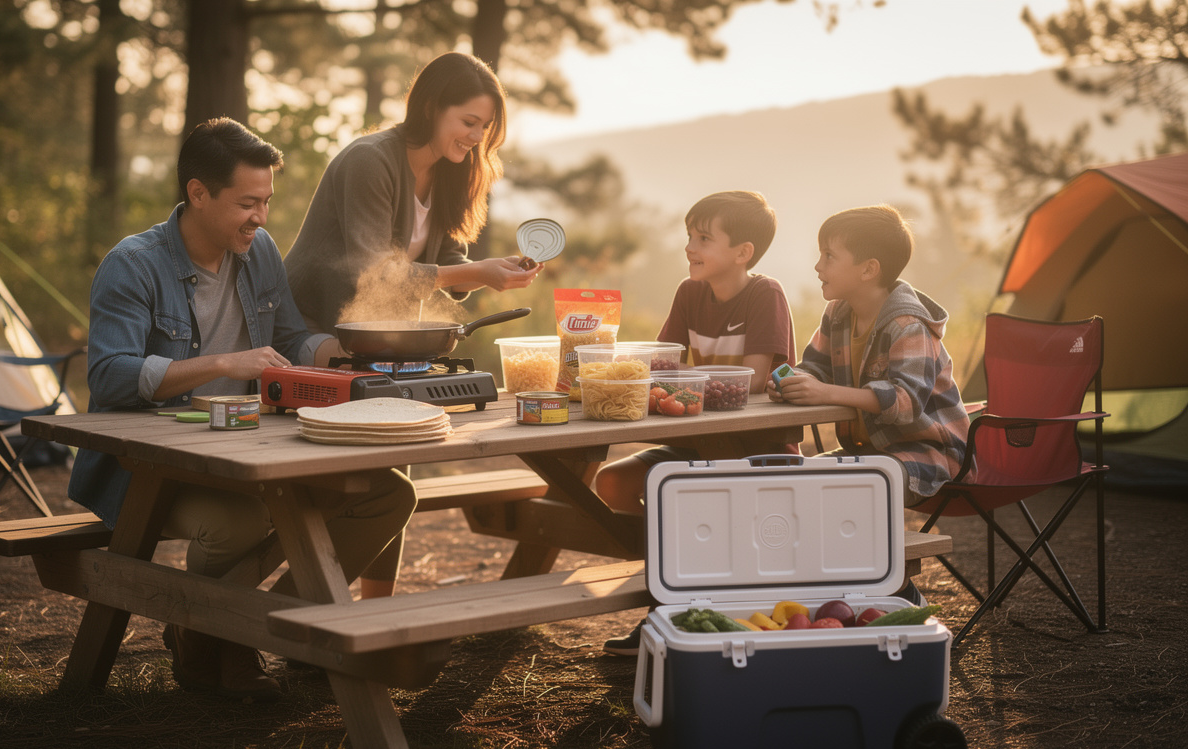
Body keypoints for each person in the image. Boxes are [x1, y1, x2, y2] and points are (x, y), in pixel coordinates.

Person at [67, 117, 416, 701]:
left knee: (387, 493)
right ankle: (229, 645)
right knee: (239, 520)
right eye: (247, 203)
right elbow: (108, 375)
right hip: (150, 466)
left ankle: (219, 633)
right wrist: (224, 364)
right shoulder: (133, 265)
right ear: (198, 193)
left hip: (246, 447)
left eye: (267, 202)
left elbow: (289, 339)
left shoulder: (258, 253)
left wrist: (347, 354)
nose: (261, 217)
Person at [285, 51, 540, 599]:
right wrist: (475, 271)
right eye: (468, 122)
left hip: (382, 332)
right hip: (311, 325)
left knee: (397, 459)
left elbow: (448, 258)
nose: (476, 137)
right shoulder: (369, 161)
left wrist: (494, 271)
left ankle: (378, 607)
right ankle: (305, 602)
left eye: (486, 127)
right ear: (430, 107)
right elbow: (375, 273)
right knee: (364, 460)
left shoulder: (452, 172)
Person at [594, 190, 797, 656]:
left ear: (742, 253)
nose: (690, 246)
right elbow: (662, 367)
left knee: (682, 506)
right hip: (697, 444)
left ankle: (670, 611)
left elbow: (757, 379)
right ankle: (679, 578)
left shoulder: (764, 294)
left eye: (704, 238)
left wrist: (678, 383)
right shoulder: (689, 293)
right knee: (614, 483)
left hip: (757, 451)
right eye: (689, 235)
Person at [769, 204, 971, 604]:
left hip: (930, 453)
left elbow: (905, 402)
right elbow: (816, 367)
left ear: (868, 269)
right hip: (873, 451)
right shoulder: (838, 313)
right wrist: (795, 382)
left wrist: (826, 394)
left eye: (829, 256)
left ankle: (901, 592)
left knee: (856, 488)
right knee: (795, 484)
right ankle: (839, 591)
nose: (817, 265)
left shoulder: (909, 325)